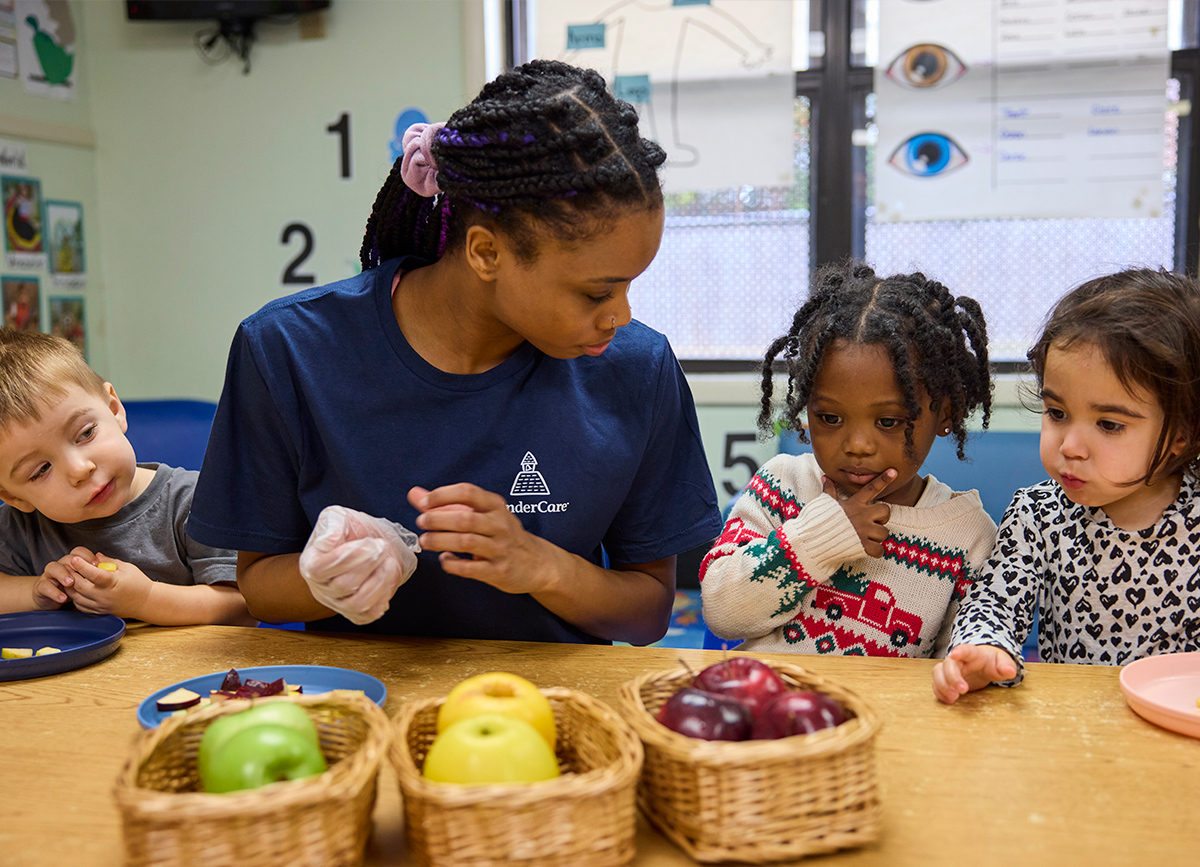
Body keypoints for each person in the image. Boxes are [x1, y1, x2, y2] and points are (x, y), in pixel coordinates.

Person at [188, 60, 722, 645]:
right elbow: (257, 584)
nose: (620, 315)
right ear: (486, 252)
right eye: (597, 291)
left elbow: (648, 614)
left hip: (555, 712)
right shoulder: (287, 350)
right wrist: (332, 578)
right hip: (357, 707)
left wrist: (543, 567)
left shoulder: (636, 369)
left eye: (629, 285)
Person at [701, 261, 996, 657]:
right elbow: (722, 611)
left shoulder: (968, 536)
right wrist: (822, 536)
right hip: (768, 708)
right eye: (830, 418)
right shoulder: (782, 485)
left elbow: (952, 671)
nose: (857, 445)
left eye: (889, 421)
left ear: (945, 414)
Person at [934, 268, 1200, 703]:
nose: (1071, 447)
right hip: (1068, 725)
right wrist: (983, 648)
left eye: (1109, 425)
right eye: (1057, 413)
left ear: (1181, 435)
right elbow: (995, 601)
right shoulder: (1038, 514)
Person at [0, 329, 252, 624]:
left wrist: (143, 599)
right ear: (14, 496)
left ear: (114, 409)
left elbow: (242, 607)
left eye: (85, 433)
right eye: (41, 470)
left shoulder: (195, 501)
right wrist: (34, 593)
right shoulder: (19, 527)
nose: (80, 470)